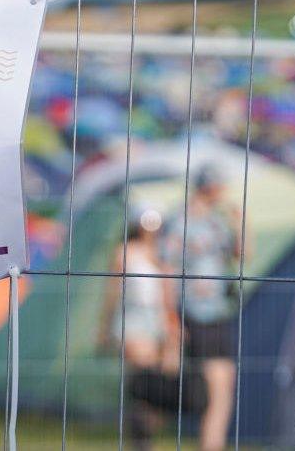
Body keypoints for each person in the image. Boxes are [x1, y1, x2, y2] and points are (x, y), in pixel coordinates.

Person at [163, 164, 242, 451]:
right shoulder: (180, 221)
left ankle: (213, 443)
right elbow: (167, 271)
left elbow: (241, 254)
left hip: (218, 312)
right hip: (194, 313)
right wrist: (170, 318)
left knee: (220, 388)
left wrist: (240, 225)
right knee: (210, 390)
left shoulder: (217, 221)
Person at [98, 205, 180, 450]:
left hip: (157, 321)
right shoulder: (125, 252)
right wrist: (105, 326)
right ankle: (140, 441)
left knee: (157, 386)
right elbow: (113, 290)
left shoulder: (161, 253)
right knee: (143, 380)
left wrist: (172, 328)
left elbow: (168, 295)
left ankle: (145, 438)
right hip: (132, 319)